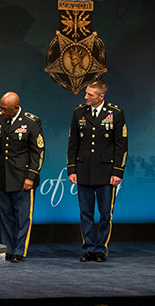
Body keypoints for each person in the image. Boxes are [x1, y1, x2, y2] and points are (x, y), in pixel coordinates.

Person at [0, 92, 45, 263]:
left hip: (23, 177)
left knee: (22, 216)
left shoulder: (31, 122)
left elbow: (38, 152)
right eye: (1, 108)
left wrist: (31, 177)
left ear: (16, 108)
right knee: (6, 216)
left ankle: (19, 251)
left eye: (5, 109)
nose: (2, 111)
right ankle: (8, 248)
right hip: (4, 175)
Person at [67, 80, 128, 262]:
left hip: (106, 173)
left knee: (105, 214)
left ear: (101, 96)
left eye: (90, 95)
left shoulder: (115, 113)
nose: (85, 97)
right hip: (84, 170)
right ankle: (88, 248)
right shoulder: (79, 112)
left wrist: (118, 172)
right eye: (86, 93)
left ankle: (101, 249)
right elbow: (73, 143)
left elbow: (121, 146)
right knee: (85, 213)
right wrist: (72, 169)